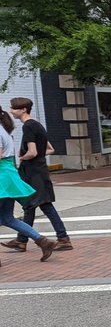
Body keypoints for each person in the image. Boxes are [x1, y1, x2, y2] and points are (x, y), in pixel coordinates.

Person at [1, 97, 72, 253]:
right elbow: (50, 149)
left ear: (23, 110)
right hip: (38, 170)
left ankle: (61, 238)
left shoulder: (28, 127)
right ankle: (27, 240)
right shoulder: (37, 125)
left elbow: (32, 152)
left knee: (41, 205)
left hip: (31, 172)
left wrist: (23, 157)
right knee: (30, 206)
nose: (11, 111)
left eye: (14, 108)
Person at [0, 110, 55, 263]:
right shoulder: (3, 130)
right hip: (8, 177)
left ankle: (43, 241)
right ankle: (43, 241)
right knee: (7, 218)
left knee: (7, 218)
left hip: (2, 178)